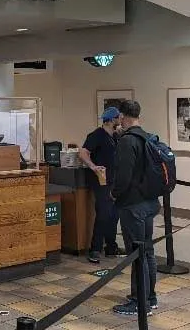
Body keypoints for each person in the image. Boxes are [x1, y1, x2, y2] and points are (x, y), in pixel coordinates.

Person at [111, 100, 159, 316]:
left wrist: (114, 193)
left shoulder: (127, 141)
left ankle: (140, 303)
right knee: (147, 251)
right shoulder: (148, 137)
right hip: (149, 202)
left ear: (122, 116)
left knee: (136, 254)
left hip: (133, 205)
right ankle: (150, 297)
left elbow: (123, 176)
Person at [79, 107, 121, 264]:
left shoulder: (115, 136)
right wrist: (93, 166)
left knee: (114, 214)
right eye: (118, 118)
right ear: (111, 120)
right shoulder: (96, 135)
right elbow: (83, 152)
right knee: (103, 213)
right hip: (101, 180)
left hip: (114, 180)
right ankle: (95, 249)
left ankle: (111, 247)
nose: (120, 120)